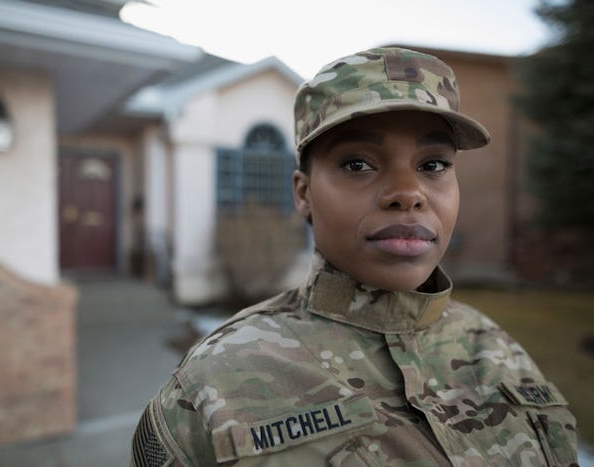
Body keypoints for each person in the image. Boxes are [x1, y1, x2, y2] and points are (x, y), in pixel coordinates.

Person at [130, 47, 578, 466]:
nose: (408, 193)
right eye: (357, 164)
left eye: (433, 165)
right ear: (304, 194)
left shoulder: (496, 348)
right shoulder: (214, 380)